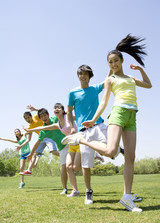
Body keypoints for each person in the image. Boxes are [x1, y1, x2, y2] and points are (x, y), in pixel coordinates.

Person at [62, 34, 152, 211]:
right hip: (118, 113)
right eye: (110, 62)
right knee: (111, 150)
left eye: (116, 61)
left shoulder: (130, 79)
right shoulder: (110, 80)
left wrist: (140, 70)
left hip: (132, 116)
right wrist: (94, 120)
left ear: (122, 60)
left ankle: (127, 197)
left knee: (130, 157)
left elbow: (148, 85)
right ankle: (81, 140)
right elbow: (103, 101)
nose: (113, 64)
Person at [62, 64, 113, 205]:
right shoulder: (73, 93)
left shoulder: (95, 89)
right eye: (80, 74)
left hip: (99, 125)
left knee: (111, 151)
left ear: (89, 76)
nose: (82, 76)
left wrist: (110, 66)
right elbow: (69, 112)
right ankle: (88, 191)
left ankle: (97, 150)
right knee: (85, 165)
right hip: (84, 131)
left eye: (85, 74)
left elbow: (107, 79)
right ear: (78, 76)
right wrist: (72, 127)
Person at [25, 108, 69, 194]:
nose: (44, 117)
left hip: (70, 142)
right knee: (64, 168)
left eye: (45, 115)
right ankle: (65, 189)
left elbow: (65, 115)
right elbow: (37, 143)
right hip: (62, 148)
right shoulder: (43, 131)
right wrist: (30, 154)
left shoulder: (55, 119)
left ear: (48, 115)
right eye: (41, 116)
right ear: (40, 119)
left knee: (73, 166)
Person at [22, 105, 59, 175]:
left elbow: (43, 113)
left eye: (28, 117)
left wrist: (35, 109)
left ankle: (64, 155)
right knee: (33, 154)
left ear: (31, 116)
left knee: (53, 152)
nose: (27, 120)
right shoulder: (29, 126)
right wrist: (21, 145)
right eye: (25, 119)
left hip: (49, 136)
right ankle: (29, 170)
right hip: (41, 138)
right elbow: (29, 139)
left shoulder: (36, 117)